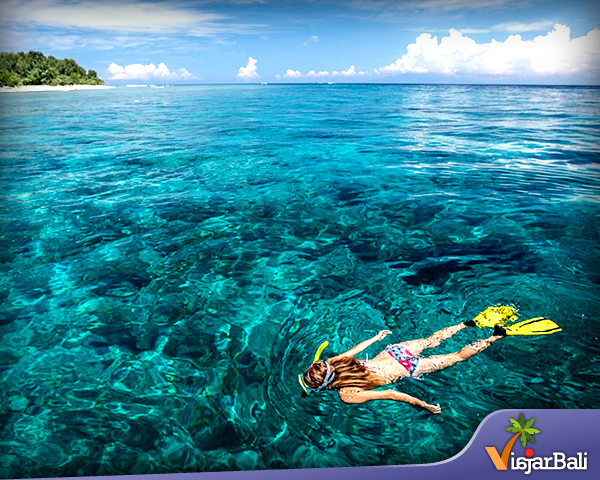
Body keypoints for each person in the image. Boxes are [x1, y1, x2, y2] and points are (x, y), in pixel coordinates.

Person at [300, 322, 506, 414]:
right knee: (431, 340)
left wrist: (423, 405)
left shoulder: (347, 394)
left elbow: (391, 393)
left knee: (458, 356)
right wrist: (376, 337)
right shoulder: (333, 362)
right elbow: (355, 349)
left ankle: (495, 336)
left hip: (408, 367)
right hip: (394, 351)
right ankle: (464, 325)